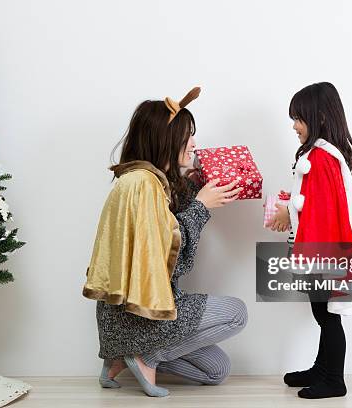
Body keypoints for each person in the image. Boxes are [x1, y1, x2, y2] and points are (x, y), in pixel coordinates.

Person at [83, 87, 248, 397]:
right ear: (166, 140)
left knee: (217, 371)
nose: (194, 144)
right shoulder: (144, 185)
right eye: (188, 136)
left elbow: (165, 228)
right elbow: (168, 257)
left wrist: (194, 188)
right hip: (142, 317)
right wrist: (201, 207)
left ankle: (121, 357)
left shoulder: (144, 180)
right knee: (237, 312)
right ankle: (147, 355)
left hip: (121, 321)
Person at [268, 82, 352, 399]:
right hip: (324, 248)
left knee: (327, 316)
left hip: (324, 251)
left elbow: (318, 210)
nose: (294, 126)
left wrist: (288, 214)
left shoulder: (320, 158)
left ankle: (333, 379)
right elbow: (311, 201)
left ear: (319, 117)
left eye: (299, 118)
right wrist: (288, 207)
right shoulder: (320, 156)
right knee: (323, 315)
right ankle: (322, 369)